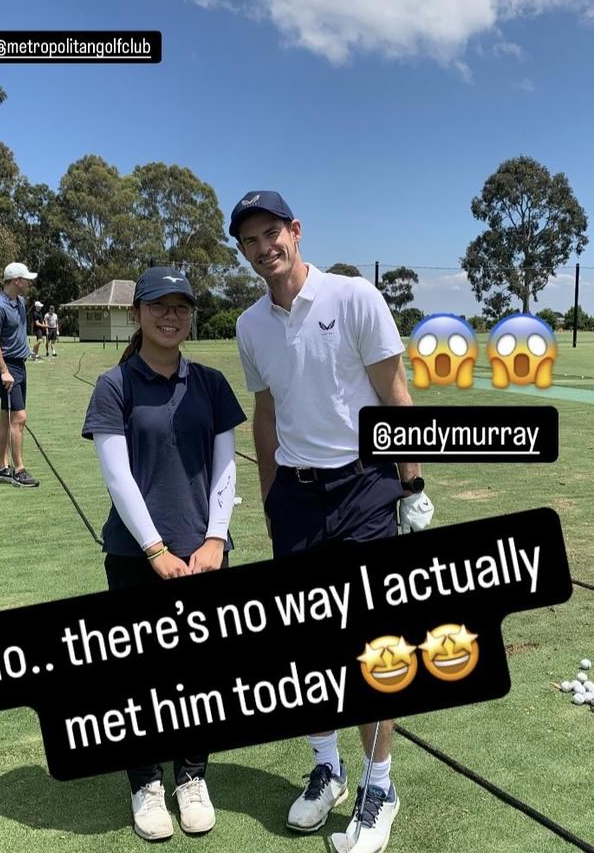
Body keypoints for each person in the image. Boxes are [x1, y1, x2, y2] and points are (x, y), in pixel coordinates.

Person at [229, 192, 432, 853]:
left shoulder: (354, 298)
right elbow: (265, 413)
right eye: (250, 241)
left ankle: (380, 785)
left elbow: (394, 394)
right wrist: (268, 498)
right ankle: (329, 769)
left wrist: (415, 485)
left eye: (272, 234)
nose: (265, 249)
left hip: (364, 489)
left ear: (295, 230)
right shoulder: (250, 325)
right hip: (296, 496)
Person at [82, 266, 246, 843]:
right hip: (135, 556)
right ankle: (147, 783)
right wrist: (155, 550)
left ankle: (192, 777)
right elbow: (117, 476)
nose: (171, 316)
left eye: (181, 306)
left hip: (204, 556)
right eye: (159, 306)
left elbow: (227, 466)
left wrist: (215, 540)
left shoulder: (210, 382)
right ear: (137, 313)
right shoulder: (115, 385)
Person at [0, 261, 40, 487]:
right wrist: (5, 372)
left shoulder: (20, 302)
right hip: (5, 367)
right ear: (16, 281)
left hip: (19, 365)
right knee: (19, 417)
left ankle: (1, 467)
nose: (29, 283)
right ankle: (19, 471)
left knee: (6, 416)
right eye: (26, 279)